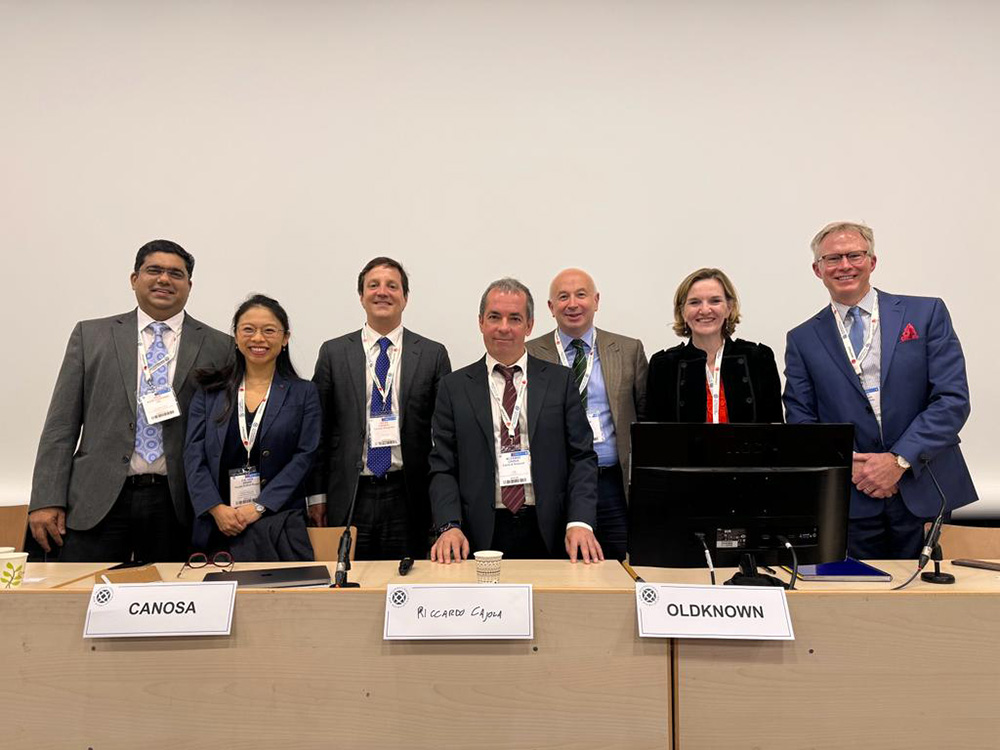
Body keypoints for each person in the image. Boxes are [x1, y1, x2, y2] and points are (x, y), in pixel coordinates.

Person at [784, 221, 977, 559]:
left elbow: (952, 400)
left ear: (872, 261)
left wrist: (899, 460)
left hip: (923, 486)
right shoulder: (802, 339)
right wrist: (851, 466)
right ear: (818, 270)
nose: (844, 265)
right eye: (833, 259)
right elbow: (801, 421)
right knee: (859, 592)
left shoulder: (926, 313)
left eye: (854, 255)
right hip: (851, 496)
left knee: (925, 592)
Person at [28, 240, 231, 562]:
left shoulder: (220, 346)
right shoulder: (91, 336)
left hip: (177, 502)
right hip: (97, 498)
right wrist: (46, 498)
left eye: (175, 274)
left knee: (172, 592)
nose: (164, 279)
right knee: (86, 589)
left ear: (189, 285)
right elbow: (60, 425)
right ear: (134, 279)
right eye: (154, 270)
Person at [429, 278, 603, 564]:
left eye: (515, 318)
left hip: (551, 530)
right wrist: (449, 525)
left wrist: (580, 522)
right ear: (481, 322)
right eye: (494, 317)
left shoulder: (559, 381)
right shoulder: (454, 387)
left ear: (529, 325)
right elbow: (442, 466)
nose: (504, 327)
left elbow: (582, 457)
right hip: (477, 532)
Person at [308, 257, 451, 560]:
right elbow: (318, 431)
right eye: (373, 285)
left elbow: (444, 436)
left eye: (392, 286)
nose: (382, 292)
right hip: (350, 492)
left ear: (405, 297)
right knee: (348, 579)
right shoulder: (334, 353)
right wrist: (317, 496)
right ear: (361, 296)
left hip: (407, 493)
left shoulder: (432, 354)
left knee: (407, 579)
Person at [184, 295, 320, 559]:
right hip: (217, 524)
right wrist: (215, 508)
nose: (258, 338)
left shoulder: (304, 393)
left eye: (269, 330)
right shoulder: (210, 392)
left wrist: (259, 507)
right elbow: (193, 455)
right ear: (236, 336)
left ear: (285, 338)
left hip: (277, 525)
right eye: (248, 329)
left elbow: (305, 456)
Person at [525, 268, 647, 560]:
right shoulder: (530, 353)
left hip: (612, 484)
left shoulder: (628, 350)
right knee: (557, 567)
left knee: (616, 565)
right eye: (563, 297)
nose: (573, 304)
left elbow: (644, 417)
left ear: (596, 300)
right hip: (553, 485)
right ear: (551, 307)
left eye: (581, 295)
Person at [645, 268, 783, 424]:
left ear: (729, 308)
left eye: (715, 301)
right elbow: (653, 436)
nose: (705, 310)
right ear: (682, 311)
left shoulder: (758, 359)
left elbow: (775, 431)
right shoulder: (663, 366)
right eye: (694, 302)